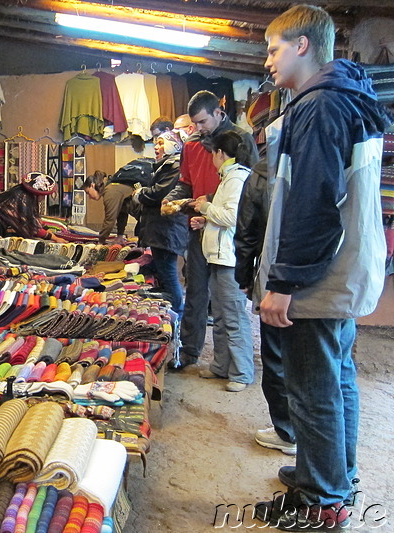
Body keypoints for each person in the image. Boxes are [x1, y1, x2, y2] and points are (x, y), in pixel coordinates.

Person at [255, 5, 390, 529]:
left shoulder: (320, 106)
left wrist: (283, 282)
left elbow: (312, 202)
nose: (268, 62)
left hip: (318, 274)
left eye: (274, 49)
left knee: (312, 390)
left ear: (303, 45)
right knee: (337, 380)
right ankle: (334, 478)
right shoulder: (348, 97)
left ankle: (321, 501)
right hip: (344, 269)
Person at [164, 91, 258, 371]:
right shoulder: (191, 144)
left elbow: (251, 188)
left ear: (219, 113)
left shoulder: (241, 140)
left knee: (228, 303)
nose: (198, 129)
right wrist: (173, 200)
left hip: (229, 234)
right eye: (194, 123)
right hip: (198, 229)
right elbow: (186, 183)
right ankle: (191, 353)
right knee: (195, 292)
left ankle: (235, 365)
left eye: (202, 122)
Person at [234, 111, 296, 454]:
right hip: (318, 283)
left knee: (276, 357)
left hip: (278, 276)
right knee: (322, 367)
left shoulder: (264, 172)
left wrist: (244, 277)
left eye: (274, 51)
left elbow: (247, 228)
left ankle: (287, 432)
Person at [189, 131, 254, 392]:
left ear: (219, 153)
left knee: (234, 316)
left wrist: (205, 208)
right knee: (220, 316)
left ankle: (242, 371)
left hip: (230, 260)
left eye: (212, 154)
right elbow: (225, 218)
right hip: (219, 257)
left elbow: (232, 217)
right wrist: (206, 221)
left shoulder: (237, 178)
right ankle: (221, 365)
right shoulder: (228, 178)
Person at [131, 130, 187, 316]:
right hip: (163, 228)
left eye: (162, 143)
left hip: (167, 228)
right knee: (165, 272)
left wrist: (141, 194)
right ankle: (173, 311)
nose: (156, 147)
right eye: (156, 143)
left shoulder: (175, 166)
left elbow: (160, 193)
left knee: (169, 273)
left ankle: (177, 312)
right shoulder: (168, 165)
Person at [84, 159, 153, 245]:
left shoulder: (110, 192)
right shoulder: (113, 188)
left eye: (88, 192)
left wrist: (101, 242)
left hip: (149, 216)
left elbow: (109, 220)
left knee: (143, 242)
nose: (89, 197)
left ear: (92, 185)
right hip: (147, 214)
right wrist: (120, 235)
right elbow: (122, 212)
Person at [0, 172, 66, 242]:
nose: (44, 198)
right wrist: (54, 238)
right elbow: (31, 225)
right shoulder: (23, 198)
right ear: (38, 194)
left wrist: (48, 230)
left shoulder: (24, 194)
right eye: (43, 195)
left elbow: (35, 218)